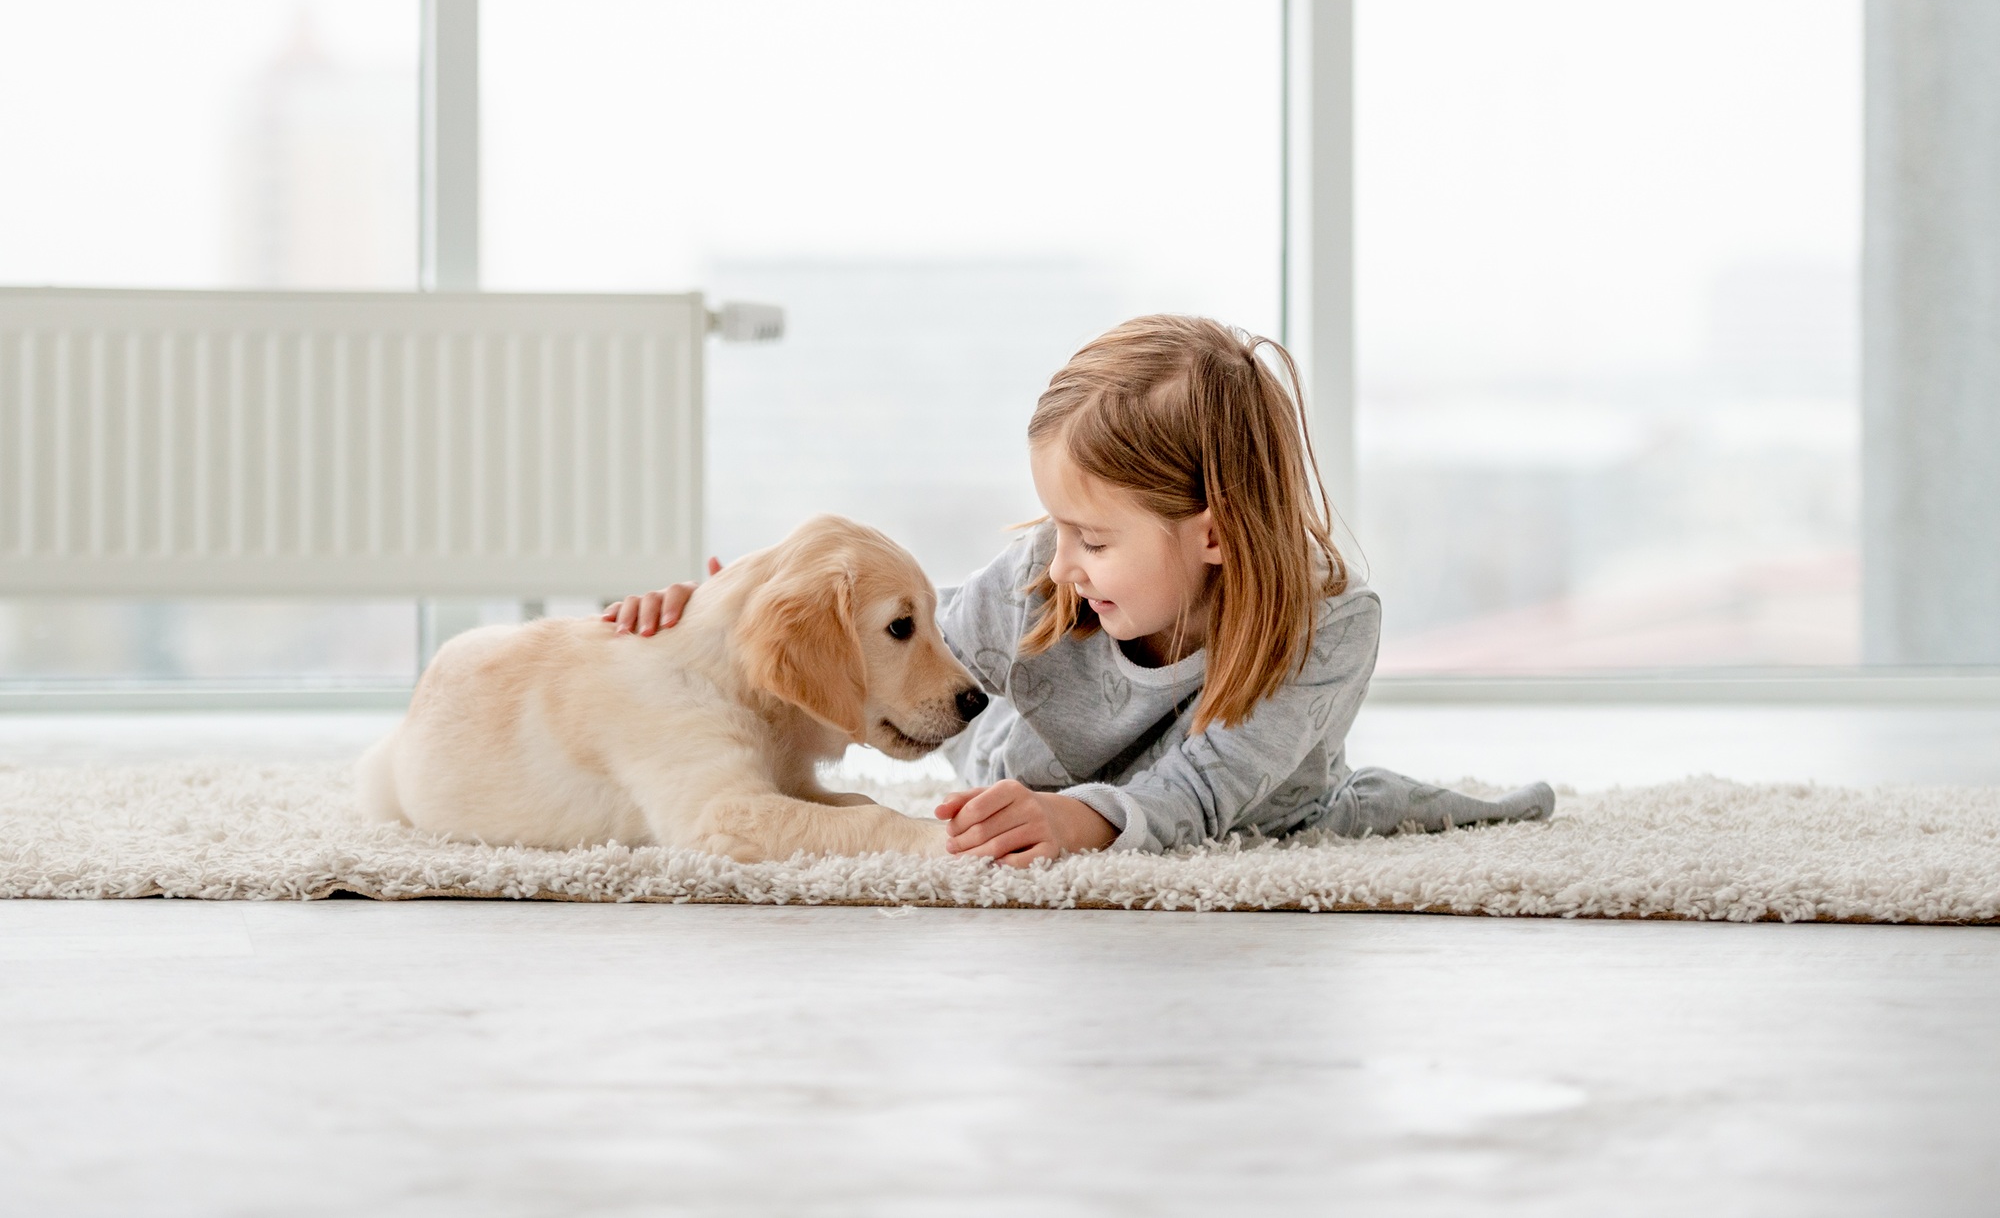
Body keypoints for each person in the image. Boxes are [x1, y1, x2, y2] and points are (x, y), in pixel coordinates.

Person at [607, 314, 1554, 866]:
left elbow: (1202, 791)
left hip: (1264, 806)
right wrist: (715, 620)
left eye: (1093, 538)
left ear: (1214, 532)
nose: (1058, 563)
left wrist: (1073, 821)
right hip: (1017, 781)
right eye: (1058, 527)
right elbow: (892, 629)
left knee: (1373, 813)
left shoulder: (1330, 629)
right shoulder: (1041, 578)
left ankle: (1500, 805)